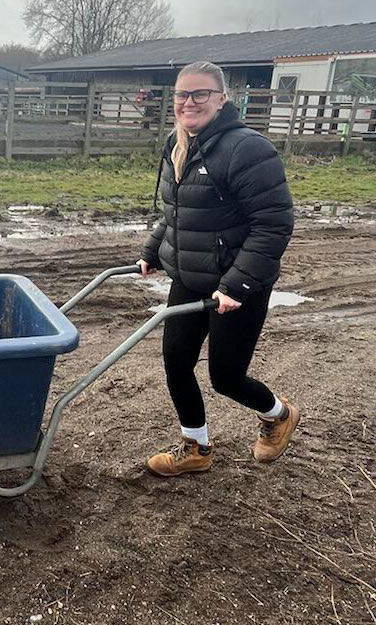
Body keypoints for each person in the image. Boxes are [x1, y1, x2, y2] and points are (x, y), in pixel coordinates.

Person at [137, 61, 298, 477]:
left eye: (200, 94)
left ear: (222, 98)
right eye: (181, 95)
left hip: (236, 285)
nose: (189, 102)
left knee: (225, 376)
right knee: (175, 360)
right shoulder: (178, 142)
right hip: (190, 277)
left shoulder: (247, 148)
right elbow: (178, 211)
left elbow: (274, 224)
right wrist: (153, 251)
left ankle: (278, 415)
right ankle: (196, 448)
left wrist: (236, 285)